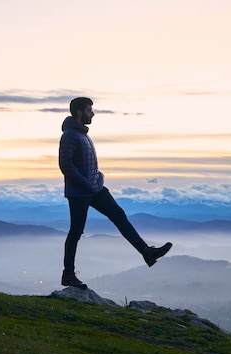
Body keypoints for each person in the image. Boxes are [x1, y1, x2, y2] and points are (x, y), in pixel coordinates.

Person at [59, 97, 172, 290]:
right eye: (89, 110)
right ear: (79, 112)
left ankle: (146, 252)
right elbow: (65, 164)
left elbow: (85, 165)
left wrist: (97, 178)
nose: (92, 113)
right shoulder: (70, 135)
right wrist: (85, 182)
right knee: (76, 231)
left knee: (118, 215)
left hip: (94, 189)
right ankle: (68, 274)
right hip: (79, 192)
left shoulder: (83, 135)